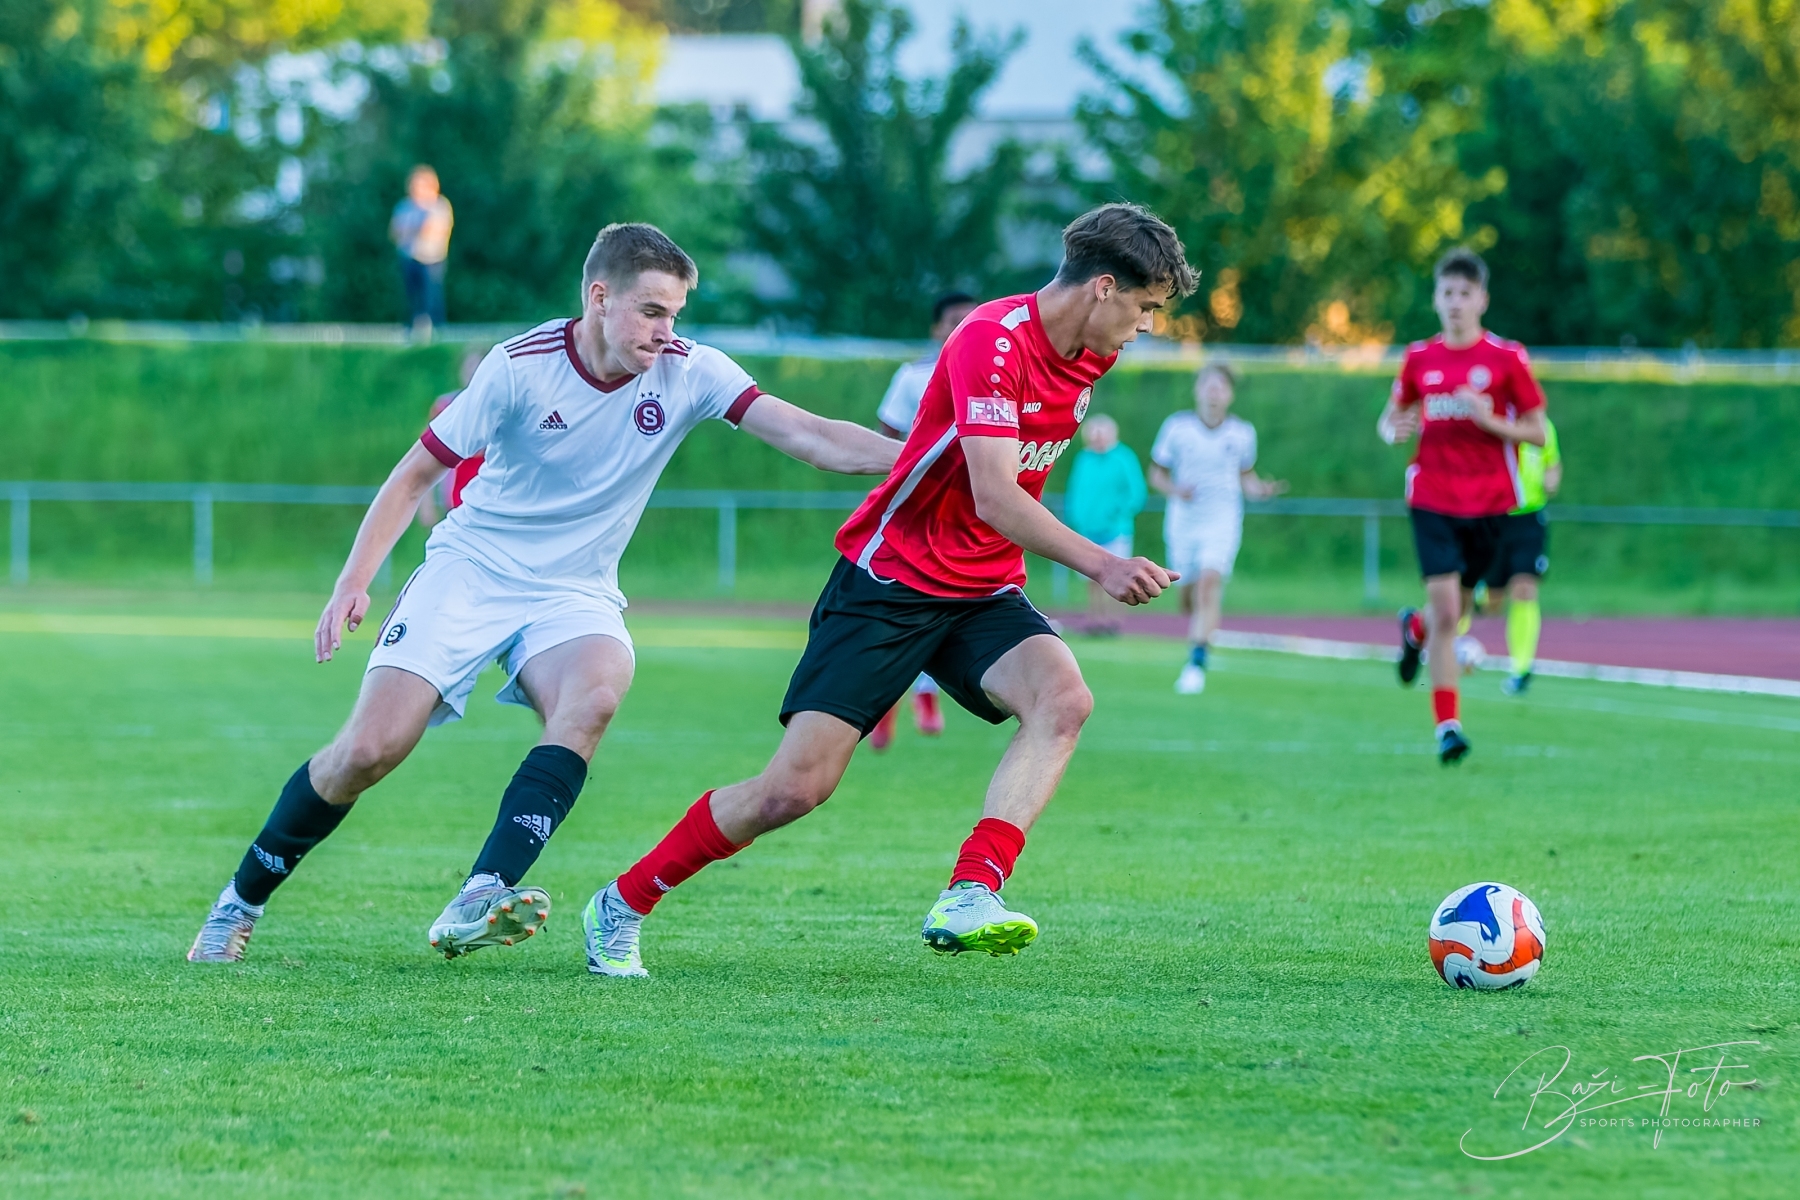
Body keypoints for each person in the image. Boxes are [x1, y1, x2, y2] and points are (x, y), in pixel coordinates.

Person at [186, 223, 899, 965]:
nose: (667, 331)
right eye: (652, 311)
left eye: (675, 314)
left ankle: (482, 892)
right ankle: (240, 901)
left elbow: (811, 434)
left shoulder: (690, 372)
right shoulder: (519, 367)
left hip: (574, 592)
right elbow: (414, 476)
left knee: (593, 699)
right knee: (366, 752)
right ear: (600, 297)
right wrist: (352, 582)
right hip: (472, 570)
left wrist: (926, 455)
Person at [583, 203, 1195, 978]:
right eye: (1145, 307)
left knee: (1064, 701)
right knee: (792, 791)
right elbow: (995, 496)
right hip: (890, 581)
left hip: (982, 587)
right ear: (1104, 287)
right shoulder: (991, 340)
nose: (1146, 326)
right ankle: (623, 900)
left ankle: (972, 891)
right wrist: (1101, 564)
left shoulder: (1089, 355)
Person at [1377, 247, 1548, 764]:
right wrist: (1392, 429)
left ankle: (1416, 629)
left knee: (1468, 608)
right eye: (1447, 293)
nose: (1455, 302)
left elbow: (1538, 432)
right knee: (1450, 612)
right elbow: (1391, 418)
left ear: (1482, 300)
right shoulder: (1419, 358)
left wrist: (1489, 420)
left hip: (1491, 504)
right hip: (1432, 498)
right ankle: (1448, 727)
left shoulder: (1507, 359)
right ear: (1436, 299)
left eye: (1465, 293)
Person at [868, 291, 981, 746]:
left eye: (971, 319)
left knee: (944, 609)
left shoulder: (994, 373)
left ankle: (926, 695)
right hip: (914, 513)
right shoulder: (913, 376)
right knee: (899, 607)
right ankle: (884, 702)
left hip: (967, 515)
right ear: (937, 329)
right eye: (955, 320)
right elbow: (887, 434)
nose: (963, 327)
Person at [1148, 365, 1286, 695]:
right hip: (1183, 522)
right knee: (1187, 597)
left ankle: (1196, 662)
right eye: (1208, 385)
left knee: (1209, 583)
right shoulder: (1177, 428)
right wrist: (1175, 490)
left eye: (1220, 386)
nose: (1213, 391)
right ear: (1197, 390)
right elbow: (1156, 474)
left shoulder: (1242, 433)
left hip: (1222, 519)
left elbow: (1246, 476)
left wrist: (1261, 490)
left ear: (1230, 394)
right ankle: (1203, 624)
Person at [1483, 416, 1561, 694]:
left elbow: (1552, 462)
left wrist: (1551, 480)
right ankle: (1469, 612)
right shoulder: (1491, 417)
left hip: (1528, 518)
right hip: (1492, 516)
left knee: (1525, 587)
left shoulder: (1541, 424)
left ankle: (1521, 668)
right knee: (1492, 600)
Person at [1063, 414, 1147, 634]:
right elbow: (1075, 490)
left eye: (1101, 434)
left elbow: (1136, 492)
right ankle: (1095, 619)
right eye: (1094, 435)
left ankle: (1114, 621)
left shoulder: (1123, 458)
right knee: (1091, 577)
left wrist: (1118, 512)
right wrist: (1075, 516)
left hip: (1116, 529)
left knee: (1120, 575)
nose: (1097, 439)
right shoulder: (1083, 459)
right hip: (1087, 529)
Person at [415, 346, 489, 529]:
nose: (473, 372)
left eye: (478, 366)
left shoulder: (500, 404)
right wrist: (425, 502)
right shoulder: (446, 405)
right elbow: (427, 454)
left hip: (488, 491)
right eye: (469, 366)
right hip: (456, 491)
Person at [390, 165, 454, 342]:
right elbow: (395, 231)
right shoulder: (405, 206)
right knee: (412, 295)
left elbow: (433, 229)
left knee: (431, 295)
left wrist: (411, 230)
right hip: (409, 256)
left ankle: (437, 331)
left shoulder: (439, 206)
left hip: (432, 258)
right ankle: (411, 329)